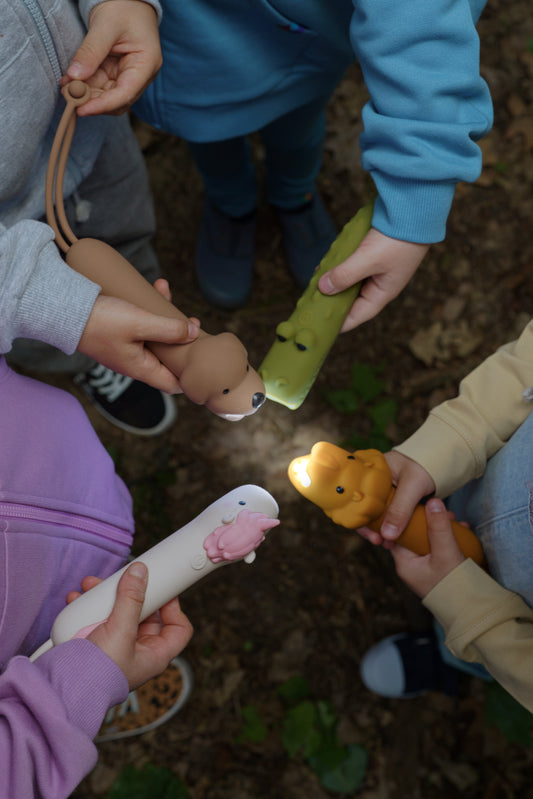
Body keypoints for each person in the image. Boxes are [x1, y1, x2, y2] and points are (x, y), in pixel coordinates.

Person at [133, 1, 493, 319]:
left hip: (290, 47)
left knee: (296, 134)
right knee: (210, 140)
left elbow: (420, 12)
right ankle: (232, 205)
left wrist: (417, 193)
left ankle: (295, 196)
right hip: (180, 58)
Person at [0, 354, 194, 798]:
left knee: (90, 621)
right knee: (57, 670)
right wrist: (82, 689)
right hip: (24, 631)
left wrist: (69, 325)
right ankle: (52, 713)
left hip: (62, 467)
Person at [1, 0, 198, 436]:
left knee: (126, 241)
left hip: (94, 135)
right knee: (45, 325)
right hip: (6, 240)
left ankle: (143, 320)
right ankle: (83, 358)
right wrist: (60, 312)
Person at [357, 318, 533, 705]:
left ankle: (457, 656)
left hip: (518, 624)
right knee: (449, 512)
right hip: (485, 480)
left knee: (480, 638)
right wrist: (445, 447)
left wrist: (474, 620)